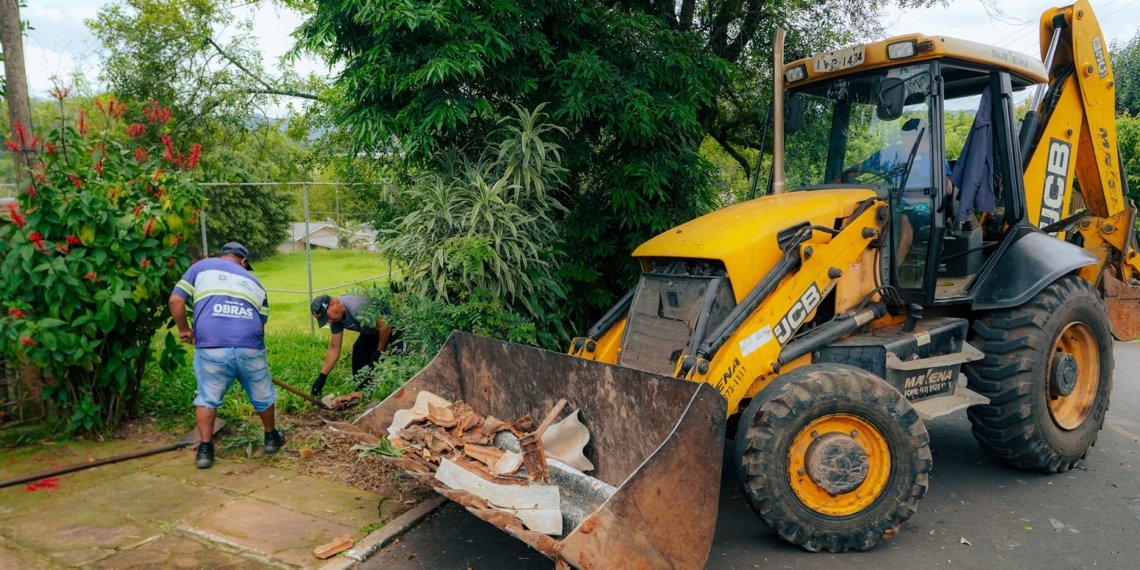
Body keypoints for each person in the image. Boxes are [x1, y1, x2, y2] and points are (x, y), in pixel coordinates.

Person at [168, 242, 284, 469]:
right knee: (263, 395)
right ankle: (271, 438)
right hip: (249, 345)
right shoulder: (257, 284)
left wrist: (184, 330)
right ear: (243, 262)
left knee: (207, 398)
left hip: (211, 346)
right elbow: (261, 329)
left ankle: (205, 451)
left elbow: (175, 300)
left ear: (222, 256)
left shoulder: (201, 267)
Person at [309, 294, 400, 397]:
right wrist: (322, 377)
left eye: (327, 317)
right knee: (359, 352)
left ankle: (395, 393)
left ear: (333, 304)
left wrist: (379, 351)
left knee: (400, 357)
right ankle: (363, 392)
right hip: (372, 330)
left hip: (395, 325)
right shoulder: (336, 319)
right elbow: (334, 348)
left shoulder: (357, 308)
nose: (328, 321)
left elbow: (385, 327)